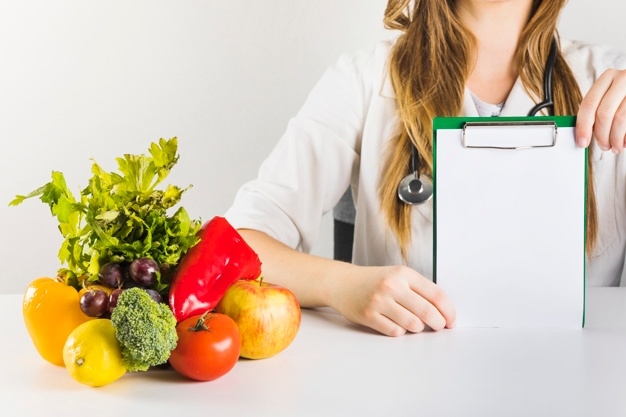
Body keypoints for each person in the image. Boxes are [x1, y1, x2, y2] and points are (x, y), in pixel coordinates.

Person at [225, 0, 626, 336]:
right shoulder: (363, 79)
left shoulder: (612, 82)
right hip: (405, 383)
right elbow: (240, 243)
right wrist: (341, 285)